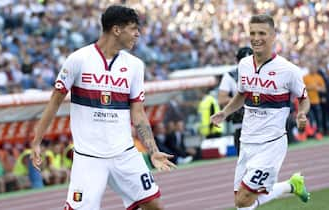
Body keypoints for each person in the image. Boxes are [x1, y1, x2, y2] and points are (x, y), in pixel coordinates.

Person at [30, 5, 176, 210]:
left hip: (124, 153)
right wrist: (37, 141)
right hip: (88, 158)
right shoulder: (78, 59)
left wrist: (153, 150)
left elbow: (138, 112)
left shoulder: (135, 66)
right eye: (133, 28)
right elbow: (54, 101)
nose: (138, 34)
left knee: (155, 206)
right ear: (116, 30)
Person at [210, 14, 311, 210]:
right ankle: (293, 185)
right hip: (247, 141)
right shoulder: (244, 65)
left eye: (262, 33)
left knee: (244, 198)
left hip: (271, 144)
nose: (256, 38)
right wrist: (224, 112)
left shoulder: (289, 70)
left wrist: (301, 113)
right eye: (253, 33)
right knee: (242, 203)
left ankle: (291, 185)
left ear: (273, 36)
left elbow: (304, 98)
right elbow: (241, 94)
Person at [218, 47, 253, 155]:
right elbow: (222, 99)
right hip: (241, 124)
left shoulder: (262, 73)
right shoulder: (230, 76)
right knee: (244, 161)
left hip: (261, 123)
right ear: (238, 62)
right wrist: (241, 101)